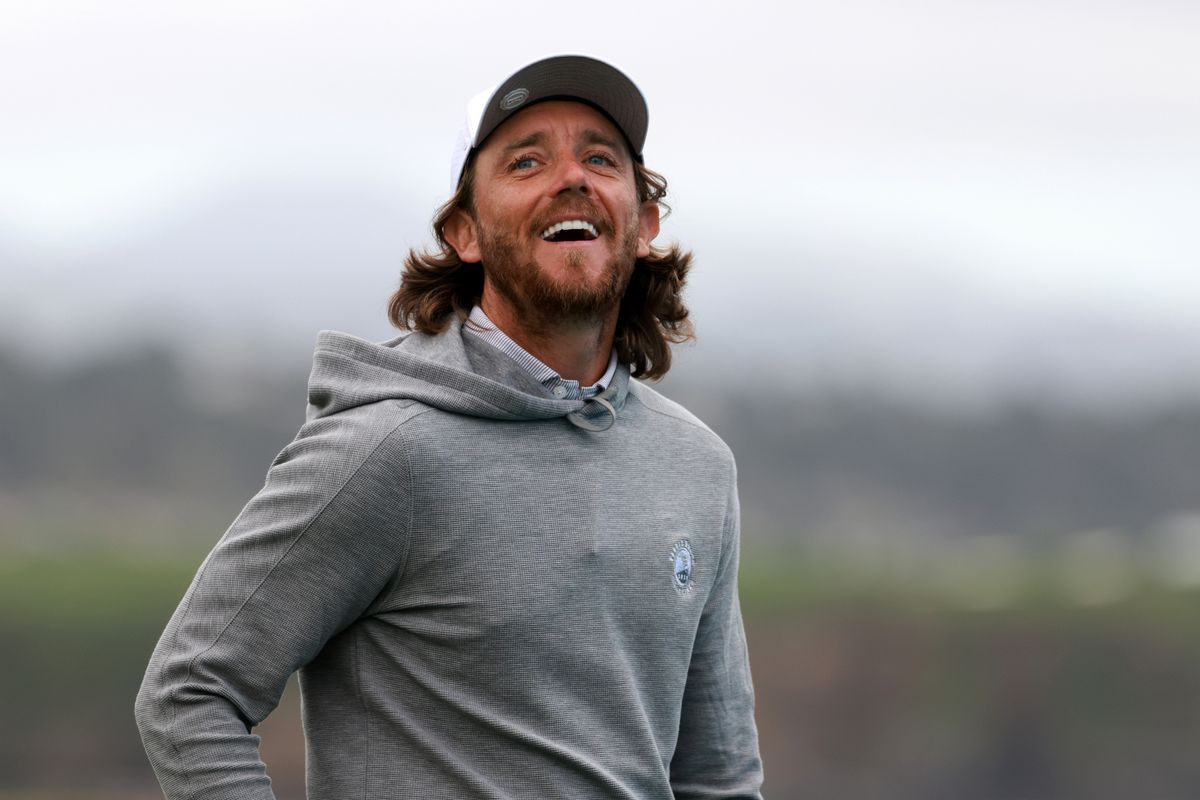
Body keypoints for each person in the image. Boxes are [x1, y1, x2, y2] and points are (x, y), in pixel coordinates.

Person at [135, 54, 764, 800]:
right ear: (466, 232)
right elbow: (189, 693)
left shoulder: (697, 465)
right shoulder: (385, 452)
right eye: (526, 161)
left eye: (600, 158)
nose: (572, 177)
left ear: (645, 224)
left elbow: (717, 776)